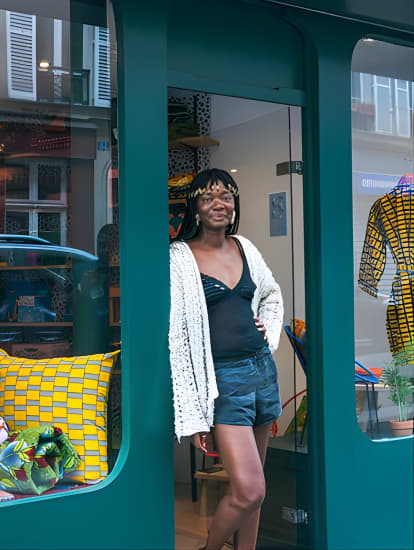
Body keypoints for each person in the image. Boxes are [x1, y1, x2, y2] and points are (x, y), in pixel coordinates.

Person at [169, 168, 283, 550]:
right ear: (195, 207)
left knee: (253, 491)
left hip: (262, 373)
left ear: (235, 205)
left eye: (226, 197)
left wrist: (268, 328)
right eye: (208, 198)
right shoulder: (178, 257)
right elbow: (178, 337)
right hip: (224, 383)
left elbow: (272, 294)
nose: (218, 204)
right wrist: (195, 411)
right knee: (250, 490)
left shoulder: (244, 247)